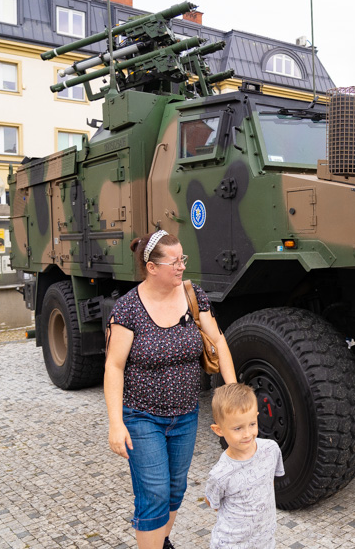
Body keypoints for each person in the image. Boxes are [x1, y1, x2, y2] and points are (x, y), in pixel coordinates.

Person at [104, 229, 237, 549]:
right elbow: (114, 367)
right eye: (174, 261)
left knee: (175, 490)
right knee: (154, 493)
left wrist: (234, 395)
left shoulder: (193, 296)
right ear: (152, 267)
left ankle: (161, 542)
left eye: (183, 259)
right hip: (141, 417)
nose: (181, 267)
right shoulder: (128, 309)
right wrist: (115, 423)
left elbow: (218, 340)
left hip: (186, 415)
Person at [205, 383, 284, 549]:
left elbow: (269, 483)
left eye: (252, 424)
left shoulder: (271, 450)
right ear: (218, 430)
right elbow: (212, 502)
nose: (247, 434)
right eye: (238, 428)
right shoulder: (220, 474)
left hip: (264, 541)